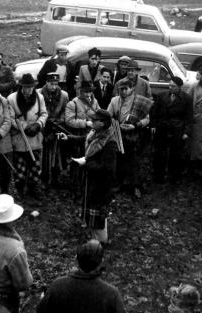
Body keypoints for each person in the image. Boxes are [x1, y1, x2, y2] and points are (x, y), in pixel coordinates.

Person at [71, 109, 118, 244]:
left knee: (98, 212)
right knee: (91, 208)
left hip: (101, 185)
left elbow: (106, 168)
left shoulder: (110, 143)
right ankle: (93, 235)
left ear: (102, 123)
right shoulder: (96, 134)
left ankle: (100, 241)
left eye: (94, 120)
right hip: (92, 181)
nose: (91, 122)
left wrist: (86, 163)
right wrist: (68, 138)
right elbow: (84, 140)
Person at [107, 78, 153, 198]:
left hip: (134, 135)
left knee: (133, 161)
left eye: (126, 89)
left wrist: (134, 125)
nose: (123, 91)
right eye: (121, 89)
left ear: (132, 89)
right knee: (118, 160)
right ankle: (118, 184)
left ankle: (134, 186)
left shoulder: (139, 101)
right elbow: (108, 116)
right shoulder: (114, 100)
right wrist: (116, 124)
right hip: (117, 134)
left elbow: (147, 119)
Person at [7, 73, 49, 200]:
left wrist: (38, 125)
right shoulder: (11, 99)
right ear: (21, 87)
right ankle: (20, 188)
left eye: (31, 87)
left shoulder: (39, 97)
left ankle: (34, 187)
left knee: (35, 165)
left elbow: (44, 113)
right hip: (19, 137)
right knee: (19, 166)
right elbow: (10, 117)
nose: (29, 90)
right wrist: (24, 127)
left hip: (35, 138)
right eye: (26, 87)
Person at [151, 76, 193, 184]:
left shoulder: (187, 98)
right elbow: (154, 112)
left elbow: (189, 117)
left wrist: (186, 132)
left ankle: (175, 177)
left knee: (176, 155)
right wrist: (153, 126)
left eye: (173, 86)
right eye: (169, 85)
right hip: (162, 128)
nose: (170, 87)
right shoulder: (161, 96)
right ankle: (158, 176)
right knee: (159, 153)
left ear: (179, 87)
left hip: (177, 130)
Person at [38, 72, 69, 187]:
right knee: (44, 154)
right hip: (44, 127)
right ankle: (44, 177)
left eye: (56, 84)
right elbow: (38, 112)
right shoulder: (39, 94)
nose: (54, 86)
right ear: (46, 82)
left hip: (57, 126)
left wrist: (59, 121)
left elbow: (65, 111)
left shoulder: (64, 95)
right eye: (51, 84)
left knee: (57, 154)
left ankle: (56, 176)